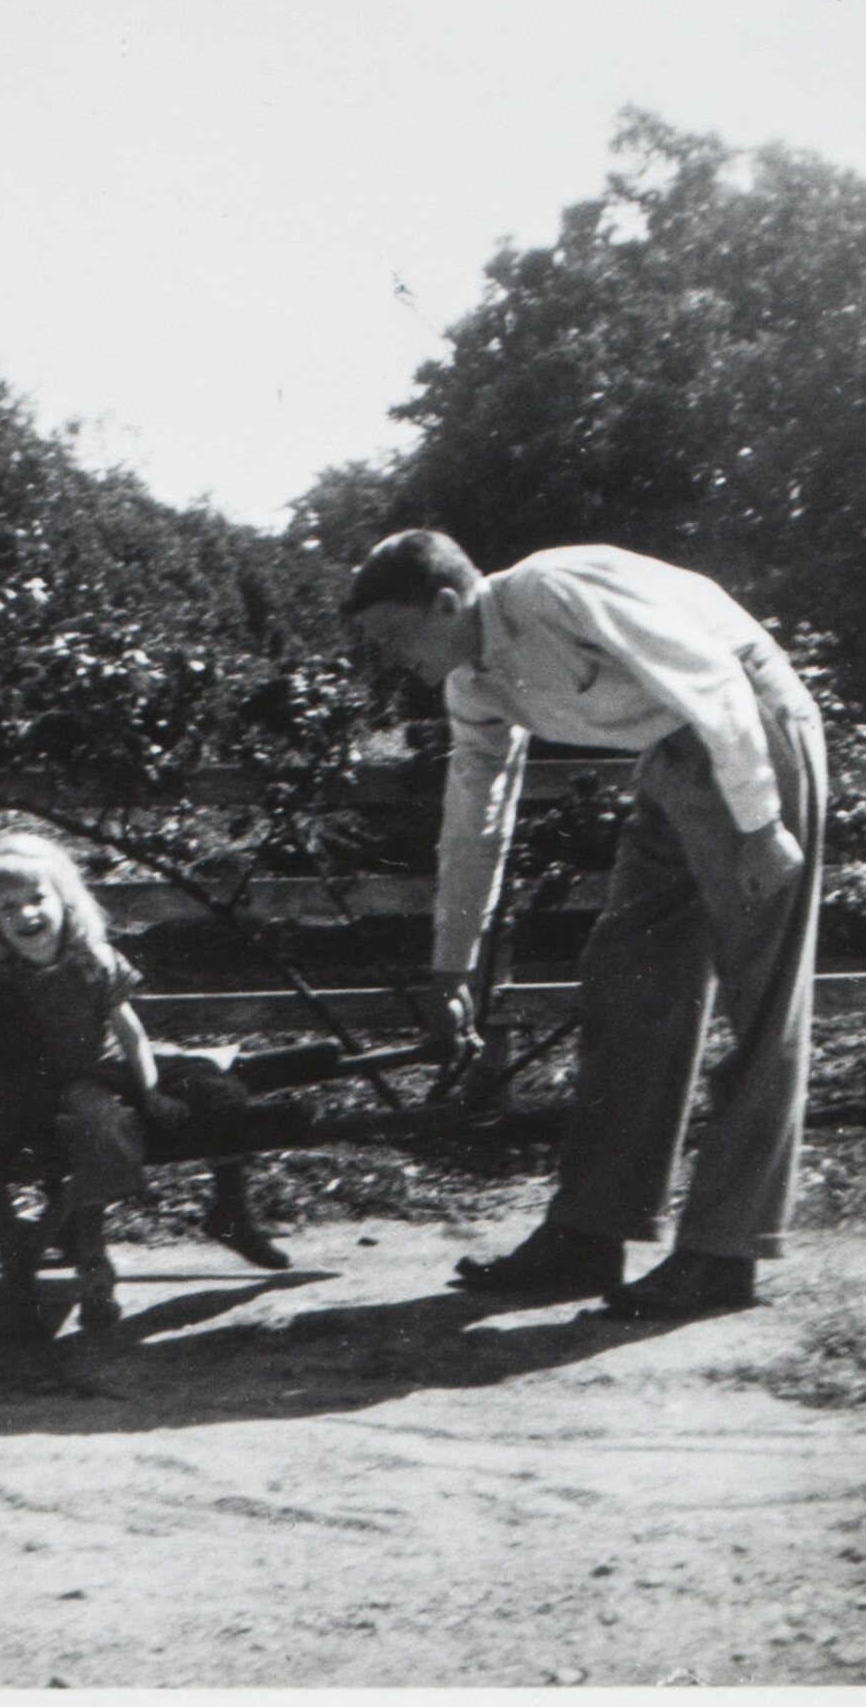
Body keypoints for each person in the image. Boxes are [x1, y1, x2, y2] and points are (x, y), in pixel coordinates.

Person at [345, 530, 826, 1319]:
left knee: (762, 996)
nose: (392, 660)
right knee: (627, 981)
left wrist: (762, 821)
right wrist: (452, 965)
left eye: (394, 636)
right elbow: (476, 819)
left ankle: (722, 1254)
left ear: (446, 602)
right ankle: (590, 1233)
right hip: (670, 755)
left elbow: (710, 678)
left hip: (749, 727)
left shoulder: (549, 589)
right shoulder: (472, 684)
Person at [0, 832, 288, 1329]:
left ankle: (231, 1208)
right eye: (8, 908)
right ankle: (94, 1259)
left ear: (63, 900)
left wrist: (152, 1090)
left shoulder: (93, 959)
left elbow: (132, 1033)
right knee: (100, 1128)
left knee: (216, 1091)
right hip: (67, 1082)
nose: (27, 915)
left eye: (38, 899)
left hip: (116, 1064)